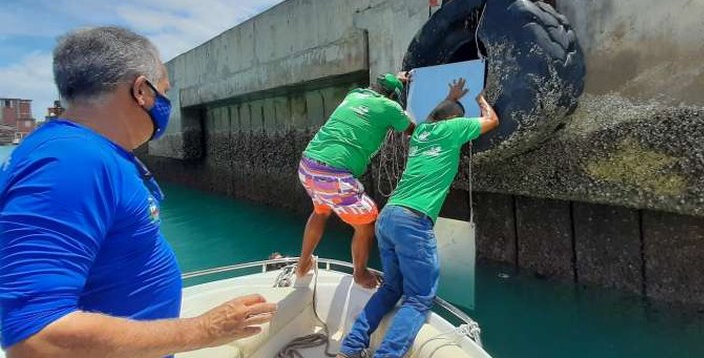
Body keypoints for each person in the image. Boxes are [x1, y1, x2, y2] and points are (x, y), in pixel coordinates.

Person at [0, 27, 277, 357]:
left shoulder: (93, 153)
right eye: (163, 90)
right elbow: (37, 337)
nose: (165, 102)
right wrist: (205, 329)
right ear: (142, 91)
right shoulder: (70, 162)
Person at [338, 79, 499, 358]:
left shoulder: (422, 132)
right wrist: (481, 98)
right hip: (413, 221)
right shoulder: (455, 128)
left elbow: (432, 117)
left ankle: (350, 348)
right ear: (453, 119)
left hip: (388, 217)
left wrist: (450, 97)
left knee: (391, 288)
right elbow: (491, 120)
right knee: (419, 298)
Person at [297, 72, 415, 289]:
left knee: (321, 211)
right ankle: (359, 273)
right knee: (366, 221)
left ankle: (303, 263)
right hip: (334, 176)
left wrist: (396, 79)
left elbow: (379, 93)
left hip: (308, 166)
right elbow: (412, 130)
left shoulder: (354, 95)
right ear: (391, 96)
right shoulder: (390, 107)